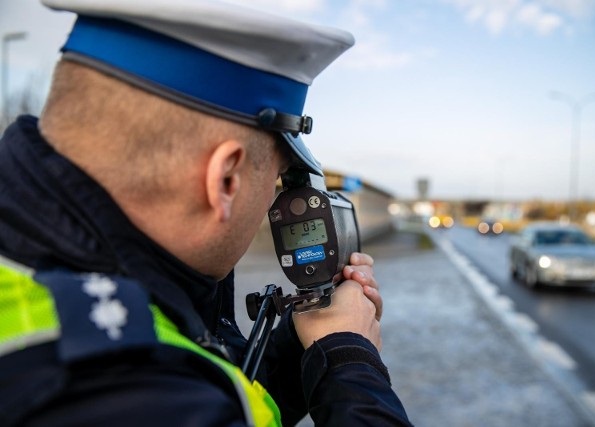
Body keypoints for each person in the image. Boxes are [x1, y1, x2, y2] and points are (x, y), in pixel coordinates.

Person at [0, 1, 411, 426]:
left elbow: (208, 392)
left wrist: (301, 346)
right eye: (273, 181)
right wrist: (349, 359)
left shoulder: (70, 301)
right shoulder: (106, 388)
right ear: (226, 180)